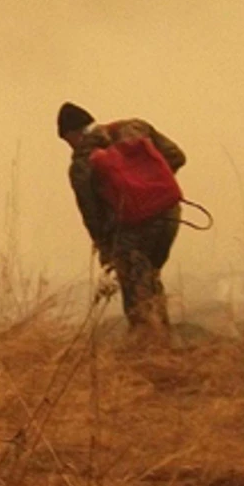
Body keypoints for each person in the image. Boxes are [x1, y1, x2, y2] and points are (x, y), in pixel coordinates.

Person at [58, 102, 187, 340]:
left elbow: (91, 212)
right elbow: (177, 156)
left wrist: (104, 246)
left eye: (68, 141)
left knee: (135, 290)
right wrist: (150, 185)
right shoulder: (135, 128)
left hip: (133, 227)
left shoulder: (82, 162)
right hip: (169, 214)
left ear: (73, 134)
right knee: (150, 277)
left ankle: (149, 345)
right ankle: (164, 340)